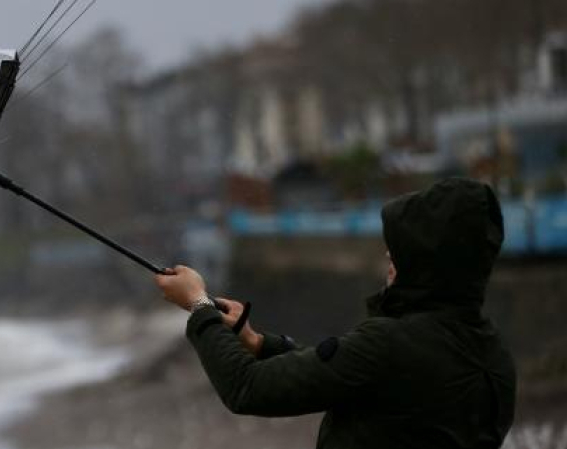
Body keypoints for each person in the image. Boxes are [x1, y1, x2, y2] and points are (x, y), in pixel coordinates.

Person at [155, 177, 516, 448]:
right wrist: (259, 343)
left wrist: (199, 305)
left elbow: (248, 388)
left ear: (430, 262)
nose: (389, 256)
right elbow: (356, 380)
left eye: (401, 249)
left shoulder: (389, 344)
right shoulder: (494, 357)